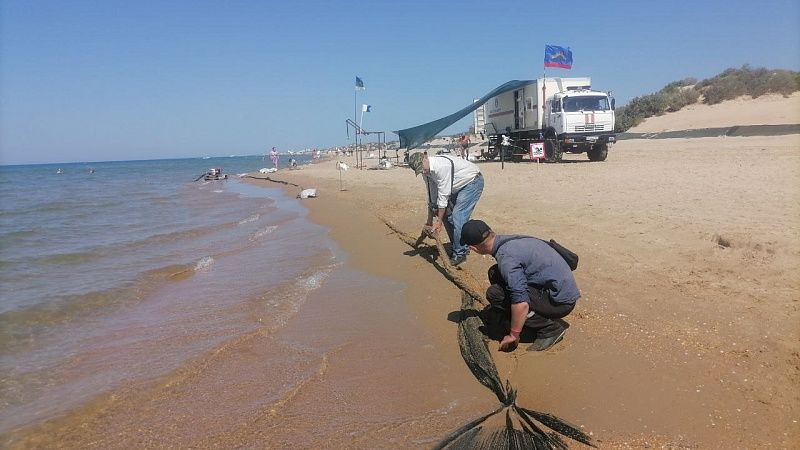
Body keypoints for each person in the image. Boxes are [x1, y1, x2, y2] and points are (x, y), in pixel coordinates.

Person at [460, 219, 581, 352]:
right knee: (495, 272)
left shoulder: (507, 258)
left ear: (474, 248)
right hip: (560, 289)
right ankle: (524, 316)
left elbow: (521, 301)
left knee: (495, 293)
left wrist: (513, 335)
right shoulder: (509, 240)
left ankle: (549, 329)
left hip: (561, 302)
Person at [407, 152, 483, 266]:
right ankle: (458, 245)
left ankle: (460, 253)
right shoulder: (426, 171)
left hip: (471, 182)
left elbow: (443, 195)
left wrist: (438, 222)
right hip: (456, 186)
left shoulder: (442, 167)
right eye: (420, 170)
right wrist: (429, 220)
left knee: (458, 215)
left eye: (422, 168)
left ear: (425, 158)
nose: (423, 171)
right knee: (447, 214)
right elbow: (432, 194)